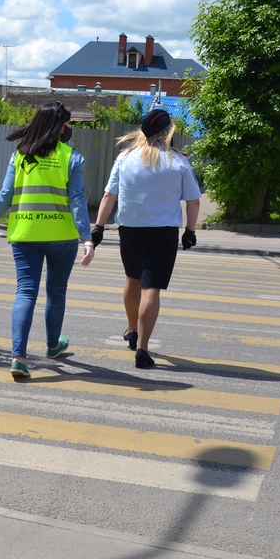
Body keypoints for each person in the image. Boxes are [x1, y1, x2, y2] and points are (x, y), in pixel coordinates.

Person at [0, 102, 94, 379]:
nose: (70, 130)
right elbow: (77, 200)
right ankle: (53, 346)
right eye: (68, 124)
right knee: (56, 292)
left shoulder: (19, 155)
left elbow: (7, 193)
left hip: (26, 234)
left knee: (26, 292)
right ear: (58, 127)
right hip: (61, 236)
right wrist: (87, 238)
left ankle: (18, 356)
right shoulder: (71, 157)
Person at [92, 107, 201, 370]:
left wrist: (98, 227)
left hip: (130, 230)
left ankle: (131, 330)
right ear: (168, 133)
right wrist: (190, 231)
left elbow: (109, 196)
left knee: (132, 280)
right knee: (151, 288)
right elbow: (194, 201)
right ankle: (142, 349)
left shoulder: (125, 158)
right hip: (163, 232)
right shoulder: (178, 162)